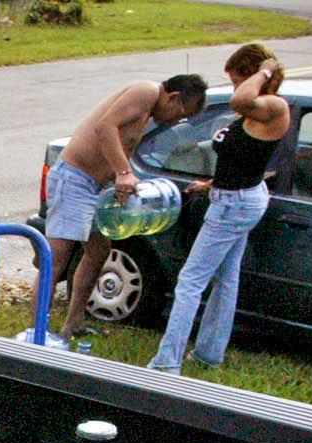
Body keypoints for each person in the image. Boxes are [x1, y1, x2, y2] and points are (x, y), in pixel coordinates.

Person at [148, 45, 290, 373]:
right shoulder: (254, 113)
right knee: (226, 278)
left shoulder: (273, 106)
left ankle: (165, 364)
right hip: (234, 196)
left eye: (238, 78)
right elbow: (246, 159)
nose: (236, 87)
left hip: (234, 205)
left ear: (254, 75)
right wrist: (211, 184)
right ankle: (210, 354)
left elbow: (239, 100)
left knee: (190, 281)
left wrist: (265, 71)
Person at [42, 72, 209, 346]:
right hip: (74, 179)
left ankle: (73, 323)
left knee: (98, 251)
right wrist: (122, 172)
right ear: (174, 97)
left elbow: (123, 143)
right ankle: (38, 334)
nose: (176, 122)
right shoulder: (145, 91)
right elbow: (104, 126)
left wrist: (124, 180)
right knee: (56, 259)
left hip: (95, 186)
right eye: (180, 113)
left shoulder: (147, 112)